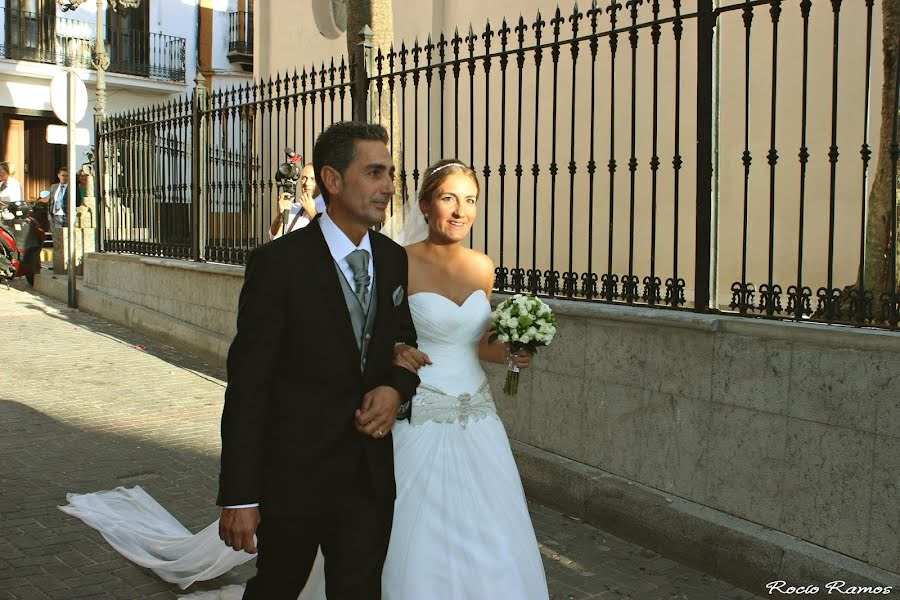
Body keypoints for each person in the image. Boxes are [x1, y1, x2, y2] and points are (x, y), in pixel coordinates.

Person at [58, 156, 549, 600]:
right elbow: (363, 343)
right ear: (425, 205)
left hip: (476, 419)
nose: (461, 210)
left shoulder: (481, 266)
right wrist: (392, 362)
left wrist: (512, 349)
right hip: (408, 422)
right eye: (449, 198)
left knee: (485, 534)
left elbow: (476, 342)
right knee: (386, 543)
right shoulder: (395, 259)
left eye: (470, 200)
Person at [217, 120, 420, 600]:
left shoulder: (393, 259)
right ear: (332, 180)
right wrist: (240, 495)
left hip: (368, 478)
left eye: (390, 173)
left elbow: (404, 340)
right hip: (294, 477)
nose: (388, 187)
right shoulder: (278, 264)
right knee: (277, 588)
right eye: (375, 173)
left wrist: (394, 388)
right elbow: (249, 385)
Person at [268, 163, 325, 240]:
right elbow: (273, 236)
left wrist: (313, 213)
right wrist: (280, 215)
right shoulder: (294, 207)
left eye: (312, 179)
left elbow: (329, 239)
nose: (307, 183)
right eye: (304, 178)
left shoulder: (328, 208)